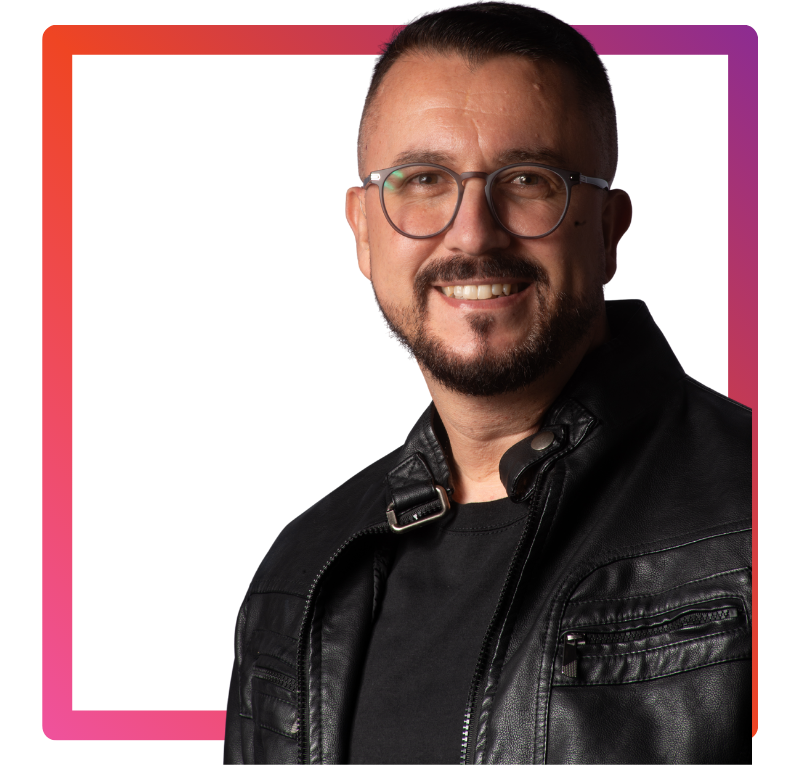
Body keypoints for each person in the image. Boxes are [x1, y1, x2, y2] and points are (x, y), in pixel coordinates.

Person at [223, 5, 753, 764]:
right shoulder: (300, 573)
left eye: (529, 180)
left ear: (609, 231)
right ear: (362, 230)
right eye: (423, 180)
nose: (472, 232)